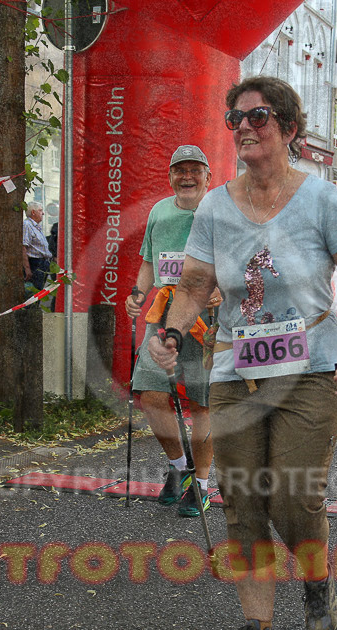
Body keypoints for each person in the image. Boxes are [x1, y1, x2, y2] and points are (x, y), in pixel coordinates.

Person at [148, 76, 337, 630]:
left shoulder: (322, 199)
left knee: (295, 493)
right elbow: (196, 284)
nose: (245, 126)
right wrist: (172, 331)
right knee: (244, 500)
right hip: (236, 368)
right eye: (236, 118)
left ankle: (316, 576)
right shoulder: (217, 205)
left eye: (259, 116)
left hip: (310, 369)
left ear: (290, 129)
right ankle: (257, 628)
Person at [124, 144, 219, 518]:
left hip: (204, 320)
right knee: (150, 394)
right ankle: (180, 469)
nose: (187, 176)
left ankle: (203, 484)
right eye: (180, 170)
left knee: (201, 402)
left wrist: (223, 288)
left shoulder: (220, 211)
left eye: (196, 170)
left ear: (208, 177)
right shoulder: (159, 211)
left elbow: (245, 259)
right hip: (163, 314)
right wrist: (137, 294)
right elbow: (150, 260)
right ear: (170, 176)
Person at [22, 201, 52, 292]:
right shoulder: (27, 225)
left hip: (43, 263)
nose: (43, 213)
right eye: (40, 210)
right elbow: (23, 248)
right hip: (35, 264)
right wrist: (27, 269)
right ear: (33, 212)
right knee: (34, 293)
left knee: (40, 292)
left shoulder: (36, 226)